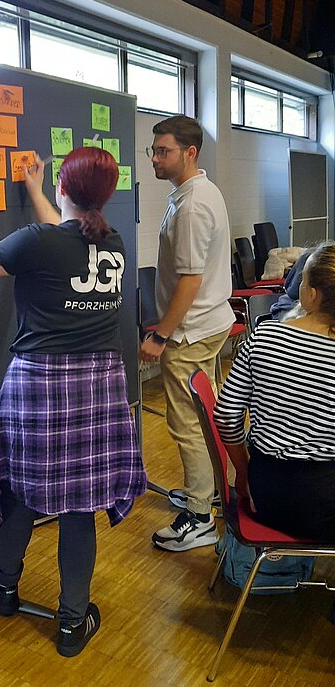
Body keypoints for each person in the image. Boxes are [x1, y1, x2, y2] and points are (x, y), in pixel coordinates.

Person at [0, 147, 146, 657]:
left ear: (64, 186)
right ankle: (72, 624)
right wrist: (36, 191)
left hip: (40, 384)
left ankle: (3, 587)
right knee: (79, 506)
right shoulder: (114, 243)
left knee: (22, 490)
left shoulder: (39, 242)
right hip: (99, 387)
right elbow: (64, 235)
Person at [139, 115, 234, 552]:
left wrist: (160, 336)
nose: (155, 158)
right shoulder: (199, 191)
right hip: (209, 324)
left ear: (189, 152)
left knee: (186, 424)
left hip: (189, 333)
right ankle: (211, 492)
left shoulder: (193, 205)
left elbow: (190, 280)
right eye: (154, 150)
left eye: (164, 151)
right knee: (205, 416)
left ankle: (199, 518)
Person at [214, 242, 335, 541]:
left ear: (312, 294)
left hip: (266, 494)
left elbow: (226, 415)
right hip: (324, 504)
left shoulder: (264, 335)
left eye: (302, 280)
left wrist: (243, 473)